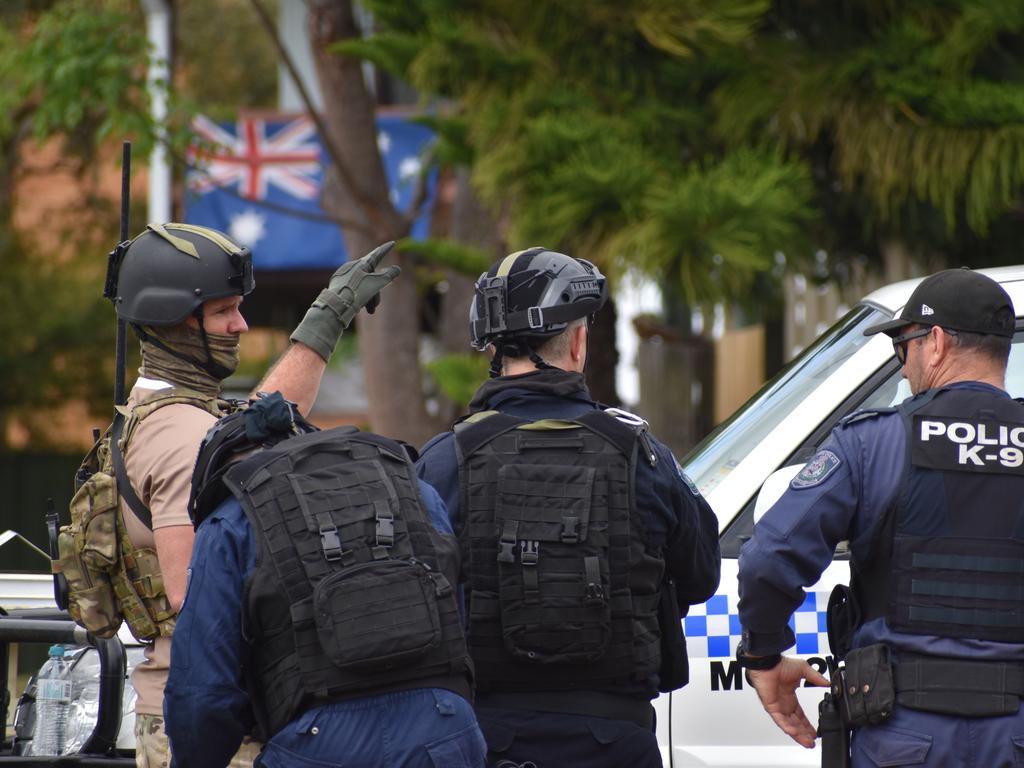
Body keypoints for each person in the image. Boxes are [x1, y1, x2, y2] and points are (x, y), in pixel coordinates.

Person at [104, 223, 399, 768]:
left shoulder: (172, 411)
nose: (241, 324)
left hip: (205, 709)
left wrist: (323, 324)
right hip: (208, 723)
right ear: (176, 322)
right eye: (224, 312)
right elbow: (189, 591)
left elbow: (256, 425)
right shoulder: (179, 435)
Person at [416, 247, 721, 767]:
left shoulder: (444, 462)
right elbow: (700, 576)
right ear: (579, 341)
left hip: (485, 741)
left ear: (491, 345)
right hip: (617, 741)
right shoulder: (644, 455)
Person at [736, 268, 1024, 767]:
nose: (904, 369)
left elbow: (768, 558)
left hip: (905, 733)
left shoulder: (875, 442)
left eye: (902, 349)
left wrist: (763, 654)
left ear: (933, 343)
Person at [163, 395, 485, 768]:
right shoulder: (412, 488)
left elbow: (202, 694)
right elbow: (455, 616)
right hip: (444, 732)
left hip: (317, 746)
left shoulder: (229, 522)